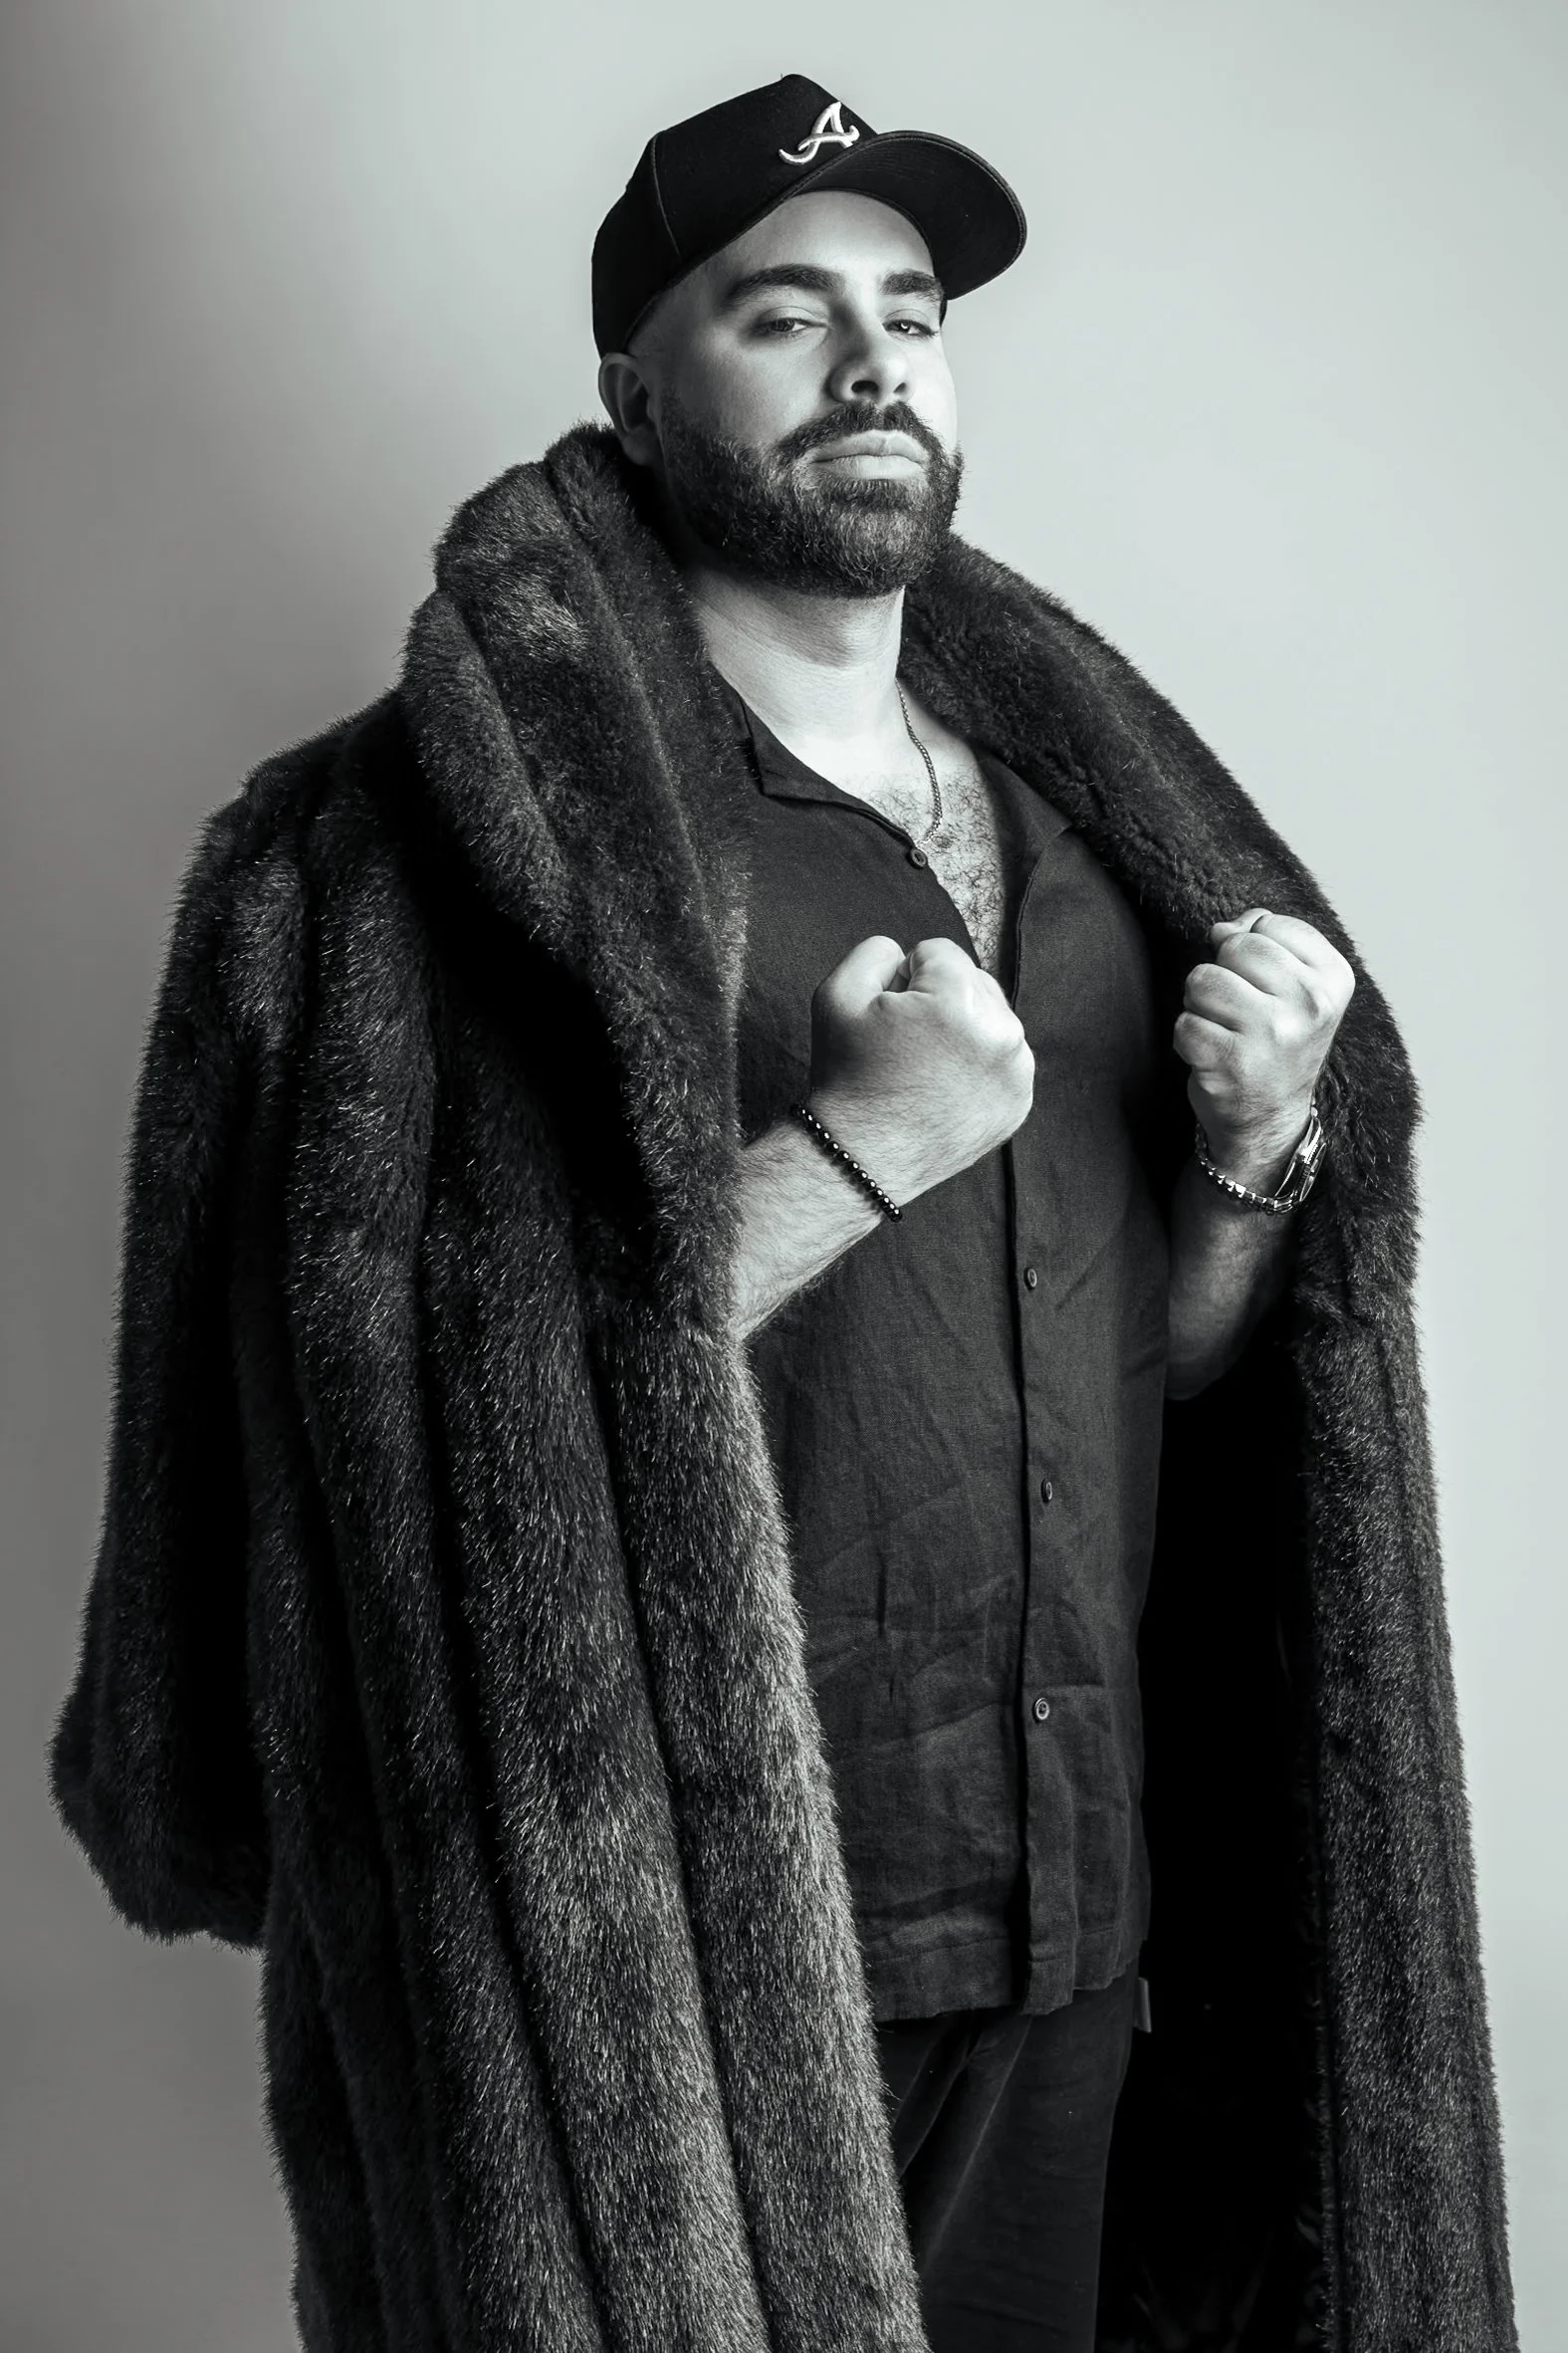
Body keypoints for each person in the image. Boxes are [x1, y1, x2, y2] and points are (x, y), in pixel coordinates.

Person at [49, 74, 1515, 2353]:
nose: (873, 364)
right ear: (636, 391)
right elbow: (411, 1468)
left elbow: (1168, 1374)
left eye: (912, 312)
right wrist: (855, 1149)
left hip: (1075, 1901)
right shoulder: (407, 863)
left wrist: (1248, 1164)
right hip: (673, 1950)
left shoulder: (1090, 845)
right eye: (783, 312)